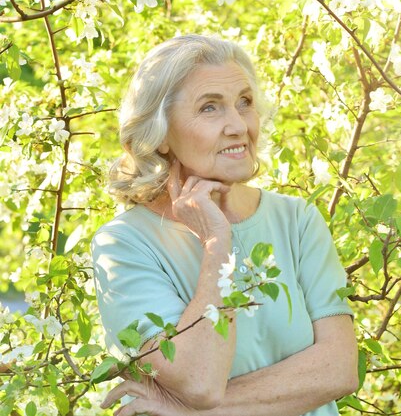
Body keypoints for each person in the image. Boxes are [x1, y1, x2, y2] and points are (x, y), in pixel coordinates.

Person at [91, 34, 359, 416]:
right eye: (210, 108)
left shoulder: (297, 220)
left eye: (244, 103)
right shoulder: (122, 246)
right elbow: (199, 382)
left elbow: (338, 369)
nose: (238, 125)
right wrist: (217, 243)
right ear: (161, 135)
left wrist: (193, 412)